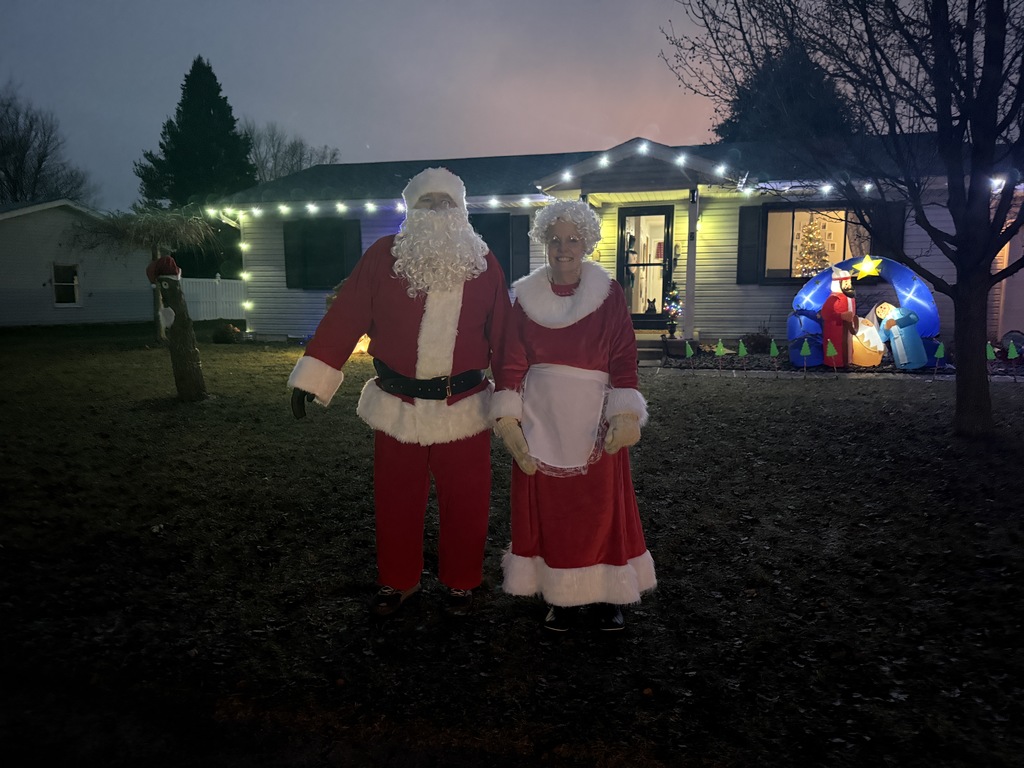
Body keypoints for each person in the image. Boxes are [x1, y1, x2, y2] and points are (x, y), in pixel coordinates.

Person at [288, 167, 510, 618]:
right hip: (398, 406)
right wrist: (315, 376)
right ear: (411, 209)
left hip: (464, 407)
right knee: (395, 501)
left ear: (461, 210)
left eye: (445, 202)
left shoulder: (483, 263)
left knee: (468, 502)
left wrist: (511, 398)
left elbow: (504, 336)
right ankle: (398, 580)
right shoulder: (382, 257)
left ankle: (462, 581)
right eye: (426, 202)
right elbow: (347, 314)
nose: (436, 211)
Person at [490, 199, 656, 632]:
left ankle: (606, 594)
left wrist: (624, 413)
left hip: (594, 417)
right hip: (541, 416)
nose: (563, 248)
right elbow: (509, 360)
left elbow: (623, 355)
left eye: (573, 239)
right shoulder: (524, 297)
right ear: (544, 242)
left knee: (599, 505)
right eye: (555, 239)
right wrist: (508, 418)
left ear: (586, 243)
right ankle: (559, 595)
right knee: (552, 508)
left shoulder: (608, 294)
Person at [821, 266, 858, 367]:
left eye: (849, 283)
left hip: (848, 328)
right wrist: (840, 316)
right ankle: (836, 363)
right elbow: (825, 313)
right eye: (845, 283)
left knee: (847, 345)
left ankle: (847, 361)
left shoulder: (850, 297)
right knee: (837, 346)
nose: (848, 285)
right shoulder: (833, 298)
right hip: (836, 329)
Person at [874, 301, 927, 369]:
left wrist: (898, 322)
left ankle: (918, 364)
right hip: (896, 345)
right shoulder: (885, 322)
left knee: (915, 355)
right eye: (878, 312)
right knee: (902, 359)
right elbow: (882, 338)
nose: (881, 311)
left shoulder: (900, 311)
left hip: (910, 340)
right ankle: (903, 366)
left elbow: (914, 317)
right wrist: (886, 329)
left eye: (881, 307)